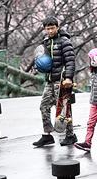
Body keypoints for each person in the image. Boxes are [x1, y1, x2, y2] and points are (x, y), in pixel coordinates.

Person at [32, 16, 77, 147]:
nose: (50, 31)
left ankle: (70, 135)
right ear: (45, 29)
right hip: (50, 80)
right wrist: (37, 67)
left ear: (57, 27)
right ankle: (47, 135)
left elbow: (70, 61)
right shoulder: (45, 42)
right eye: (48, 28)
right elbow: (42, 58)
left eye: (52, 28)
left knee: (64, 108)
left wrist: (69, 77)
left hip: (62, 80)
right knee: (44, 106)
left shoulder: (64, 41)